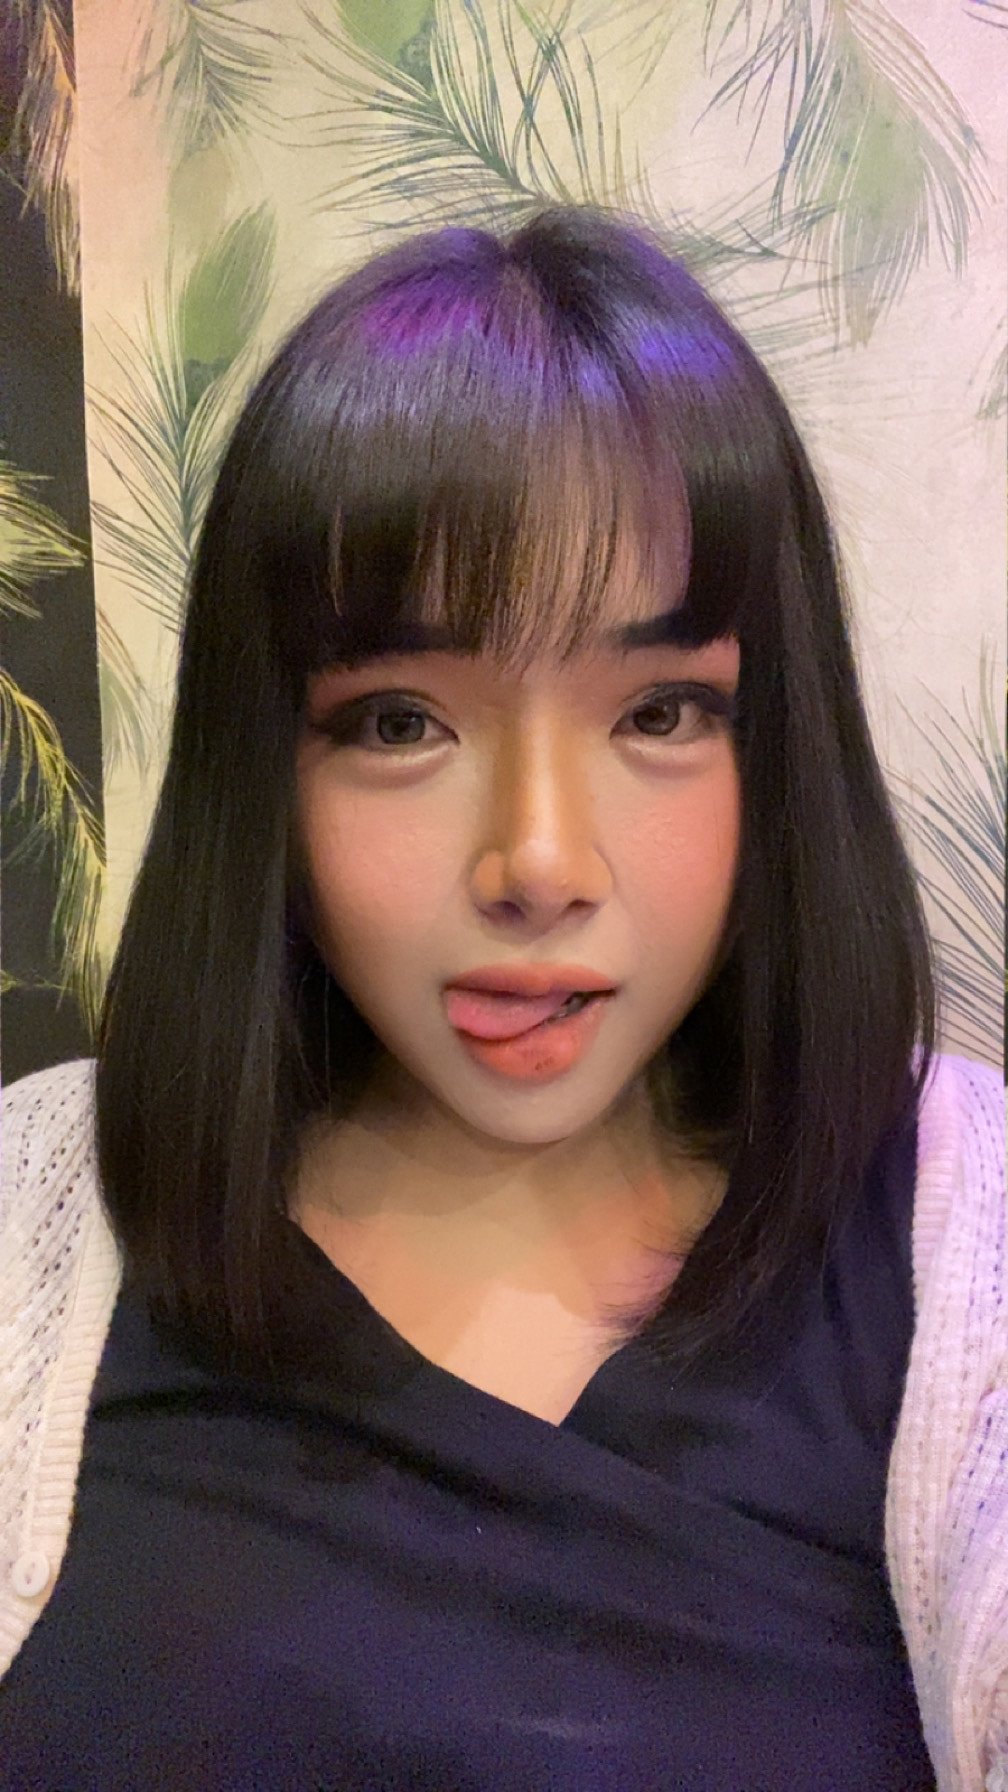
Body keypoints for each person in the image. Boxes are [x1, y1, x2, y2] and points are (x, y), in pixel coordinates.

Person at [0, 204, 1003, 1791]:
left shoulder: (964, 1238)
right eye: (400, 722)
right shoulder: (34, 1219)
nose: (538, 862)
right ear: (265, 771)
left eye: (660, 712)